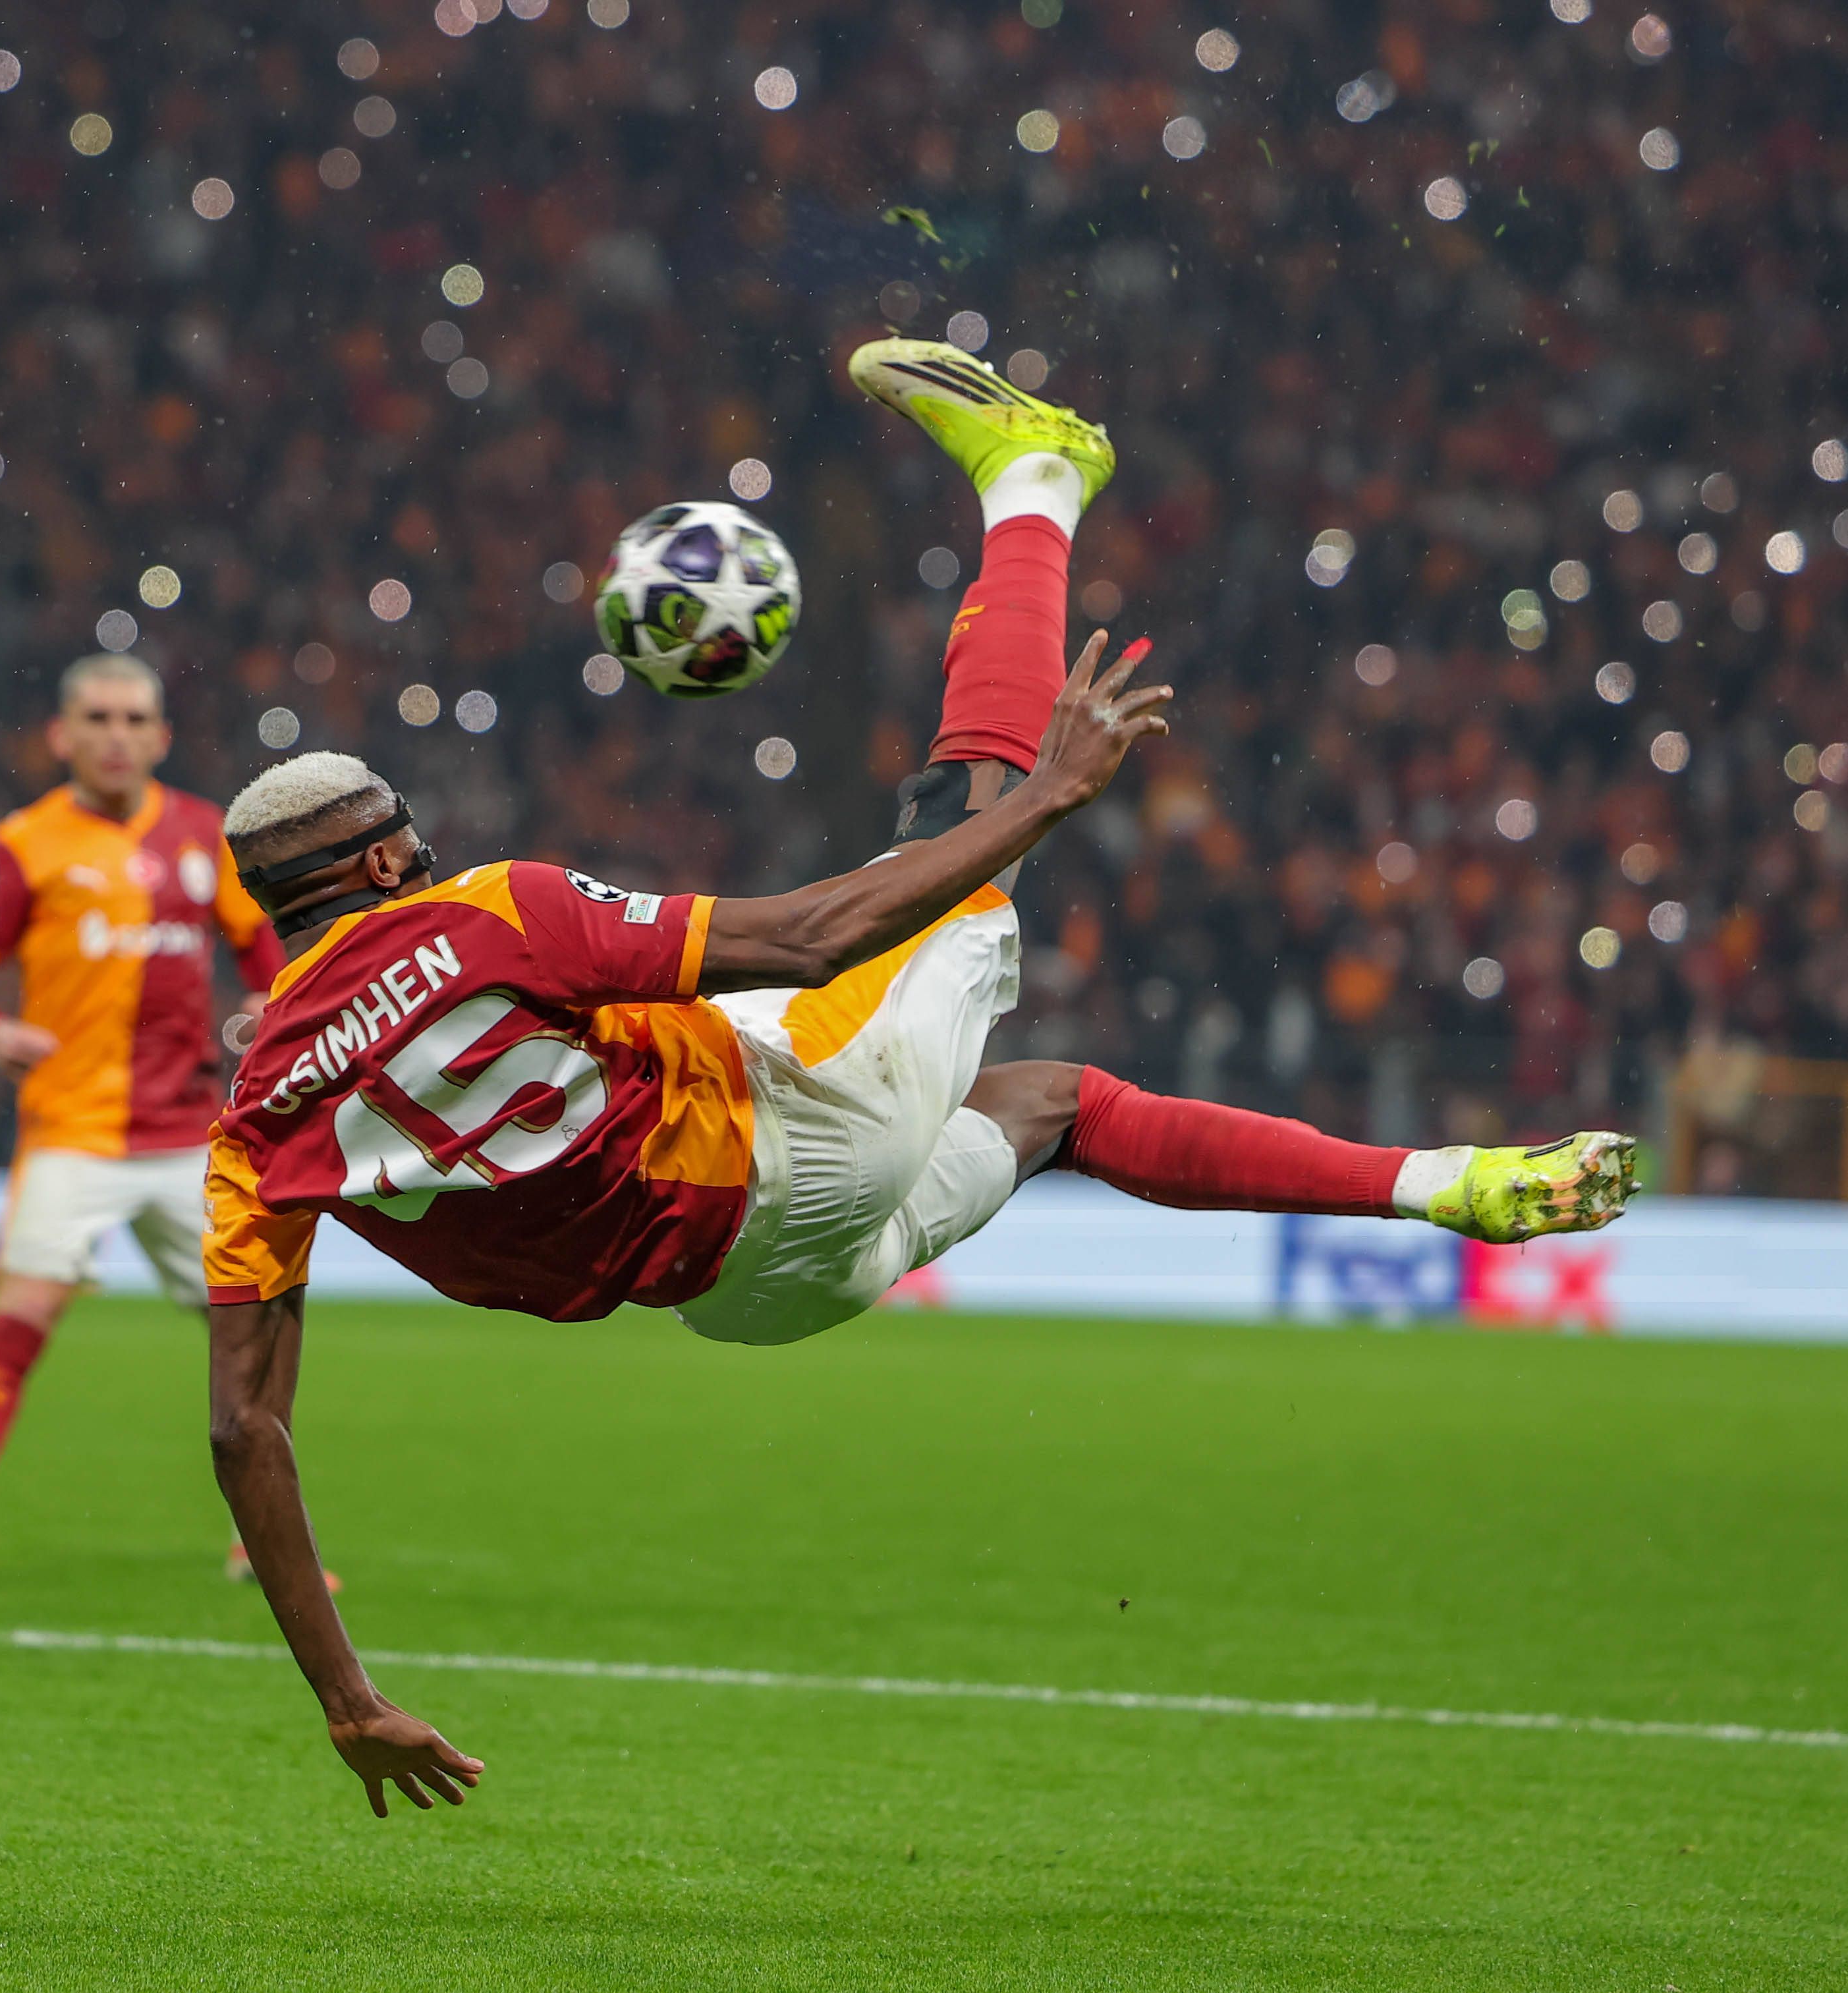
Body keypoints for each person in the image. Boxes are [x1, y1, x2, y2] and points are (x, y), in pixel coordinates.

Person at [199, 343, 1639, 1815]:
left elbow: (243, 1427)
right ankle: (1036, 474)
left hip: (749, 1298)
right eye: (407, 836)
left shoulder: (255, 1118)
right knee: (961, 807)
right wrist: (1050, 798)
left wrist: (351, 1701)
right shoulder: (482, 913)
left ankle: (1455, 1187)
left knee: (1054, 1107)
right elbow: (814, 935)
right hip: (804, 1133)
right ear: (382, 858)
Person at [0, 652, 291, 1582]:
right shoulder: (23, 844)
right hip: (73, 1130)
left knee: (251, 1333)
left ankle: (264, 1540)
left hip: (189, 1135)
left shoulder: (206, 835)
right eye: (97, 718)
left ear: (161, 736)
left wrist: (265, 999)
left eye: (133, 719)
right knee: (24, 1313)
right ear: (61, 735)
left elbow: (262, 946)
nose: (115, 735)